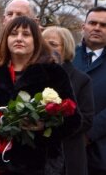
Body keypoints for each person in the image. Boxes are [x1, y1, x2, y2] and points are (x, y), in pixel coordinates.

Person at [0, 16, 81, 174]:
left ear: (36, 40)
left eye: (26, 34)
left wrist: (43, 127)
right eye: (13, 34)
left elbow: (74, 119)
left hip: (38, 164)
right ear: (6, 39)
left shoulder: (53, 73)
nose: (19, 38)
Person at [43, 25, 94, 175]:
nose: (46, 48)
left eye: (53, 44)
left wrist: (50, 123)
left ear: (66, 49)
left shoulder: (81, 80)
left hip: (68, 154)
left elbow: (86, 118)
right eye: (43, 43)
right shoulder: (33, 75)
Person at [73, 6, 106, 175]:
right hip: (65, 149)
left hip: (100, 154)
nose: (97, 28)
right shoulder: (68, 56)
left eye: (103, 25)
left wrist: (88, 135)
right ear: (83, 26)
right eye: (92, 23)